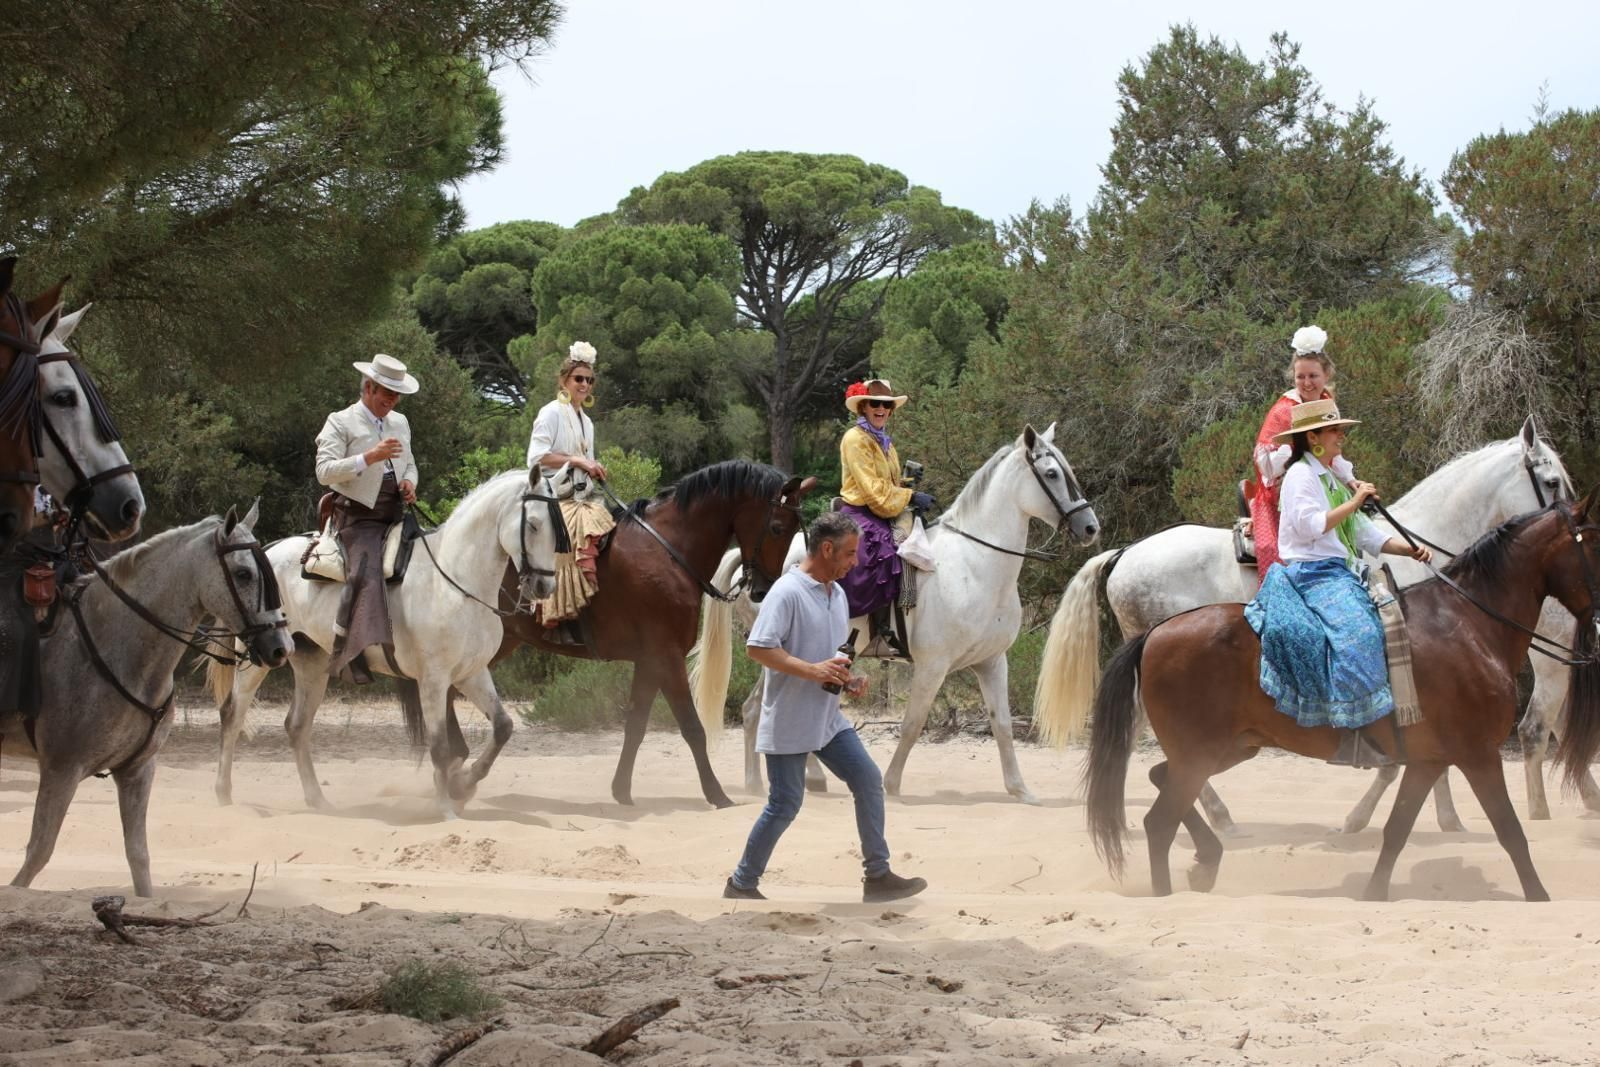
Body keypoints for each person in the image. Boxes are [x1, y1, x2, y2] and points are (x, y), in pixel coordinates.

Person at [724, 511, 928, 904]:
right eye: (850, 554)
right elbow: (758, 647)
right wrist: (813, 670)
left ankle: (878, 876)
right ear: (827, 548)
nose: (855, 563)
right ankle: (741, 884)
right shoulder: (788, 591)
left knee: (868, 780)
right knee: (785, 804)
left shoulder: (837, 595)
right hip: (788, 719)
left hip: (828, 719)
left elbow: (828, 656)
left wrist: (847, 678)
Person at [1243, 399, 1431, 767]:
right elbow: (1311, 526)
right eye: (1335, 430)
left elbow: (1366, 535)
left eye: (1340, 430)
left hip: (1340, 570)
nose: (1342, 436)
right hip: (1311, 574)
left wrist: (1408, 549)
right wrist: (1357, 498)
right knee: (1358, 633)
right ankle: (1353, 732)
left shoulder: (1329, 477)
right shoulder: (1299, 475)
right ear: (1312, 436)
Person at [314, 353, 419, 682]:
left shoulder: (400, 423)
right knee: (365, 570)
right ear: (369, 387)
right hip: (357, 517)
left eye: (396, 393)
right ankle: (346, 648)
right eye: (387, 391)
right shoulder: (340, 421)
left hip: (396, 514)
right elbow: (323, 472)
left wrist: (409, 483)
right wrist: (368, 458)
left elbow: (411, 463)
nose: (393, 399)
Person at [1247, 325, 1356, 580]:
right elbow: (1267, 466)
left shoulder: (1328, 402)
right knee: (1277, 548)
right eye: (1300, 377)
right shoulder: (1285, 410)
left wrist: (1350, 480)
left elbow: (1333, 451)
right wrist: (1291, 455)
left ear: (1326, 374)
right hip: (1286, 485)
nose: (1307, 383)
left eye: (1313, 376)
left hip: (1321, 478)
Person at [837, 378, 933, 657]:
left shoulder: (886, 443)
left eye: (886, 405)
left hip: (883, 510)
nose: (881, 408)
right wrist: (911, 497)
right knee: (884, 552)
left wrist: (908, 484)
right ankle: (879, 632)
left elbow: (888, 485)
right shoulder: (855, 439)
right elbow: (872, 491)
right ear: (864, 407)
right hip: (860, 511)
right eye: (875, 403)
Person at [525, 341, 614, 637]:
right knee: (571, 535)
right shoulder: (551, 412)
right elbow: (536, 458)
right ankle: (557, 614)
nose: (585, 384)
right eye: (579, 378)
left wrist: (592, 466)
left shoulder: (587, 422)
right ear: (564, 380)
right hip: (552, 494)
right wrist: (576, 460)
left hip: (581, 496)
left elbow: (583, 460)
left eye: (589, 380)